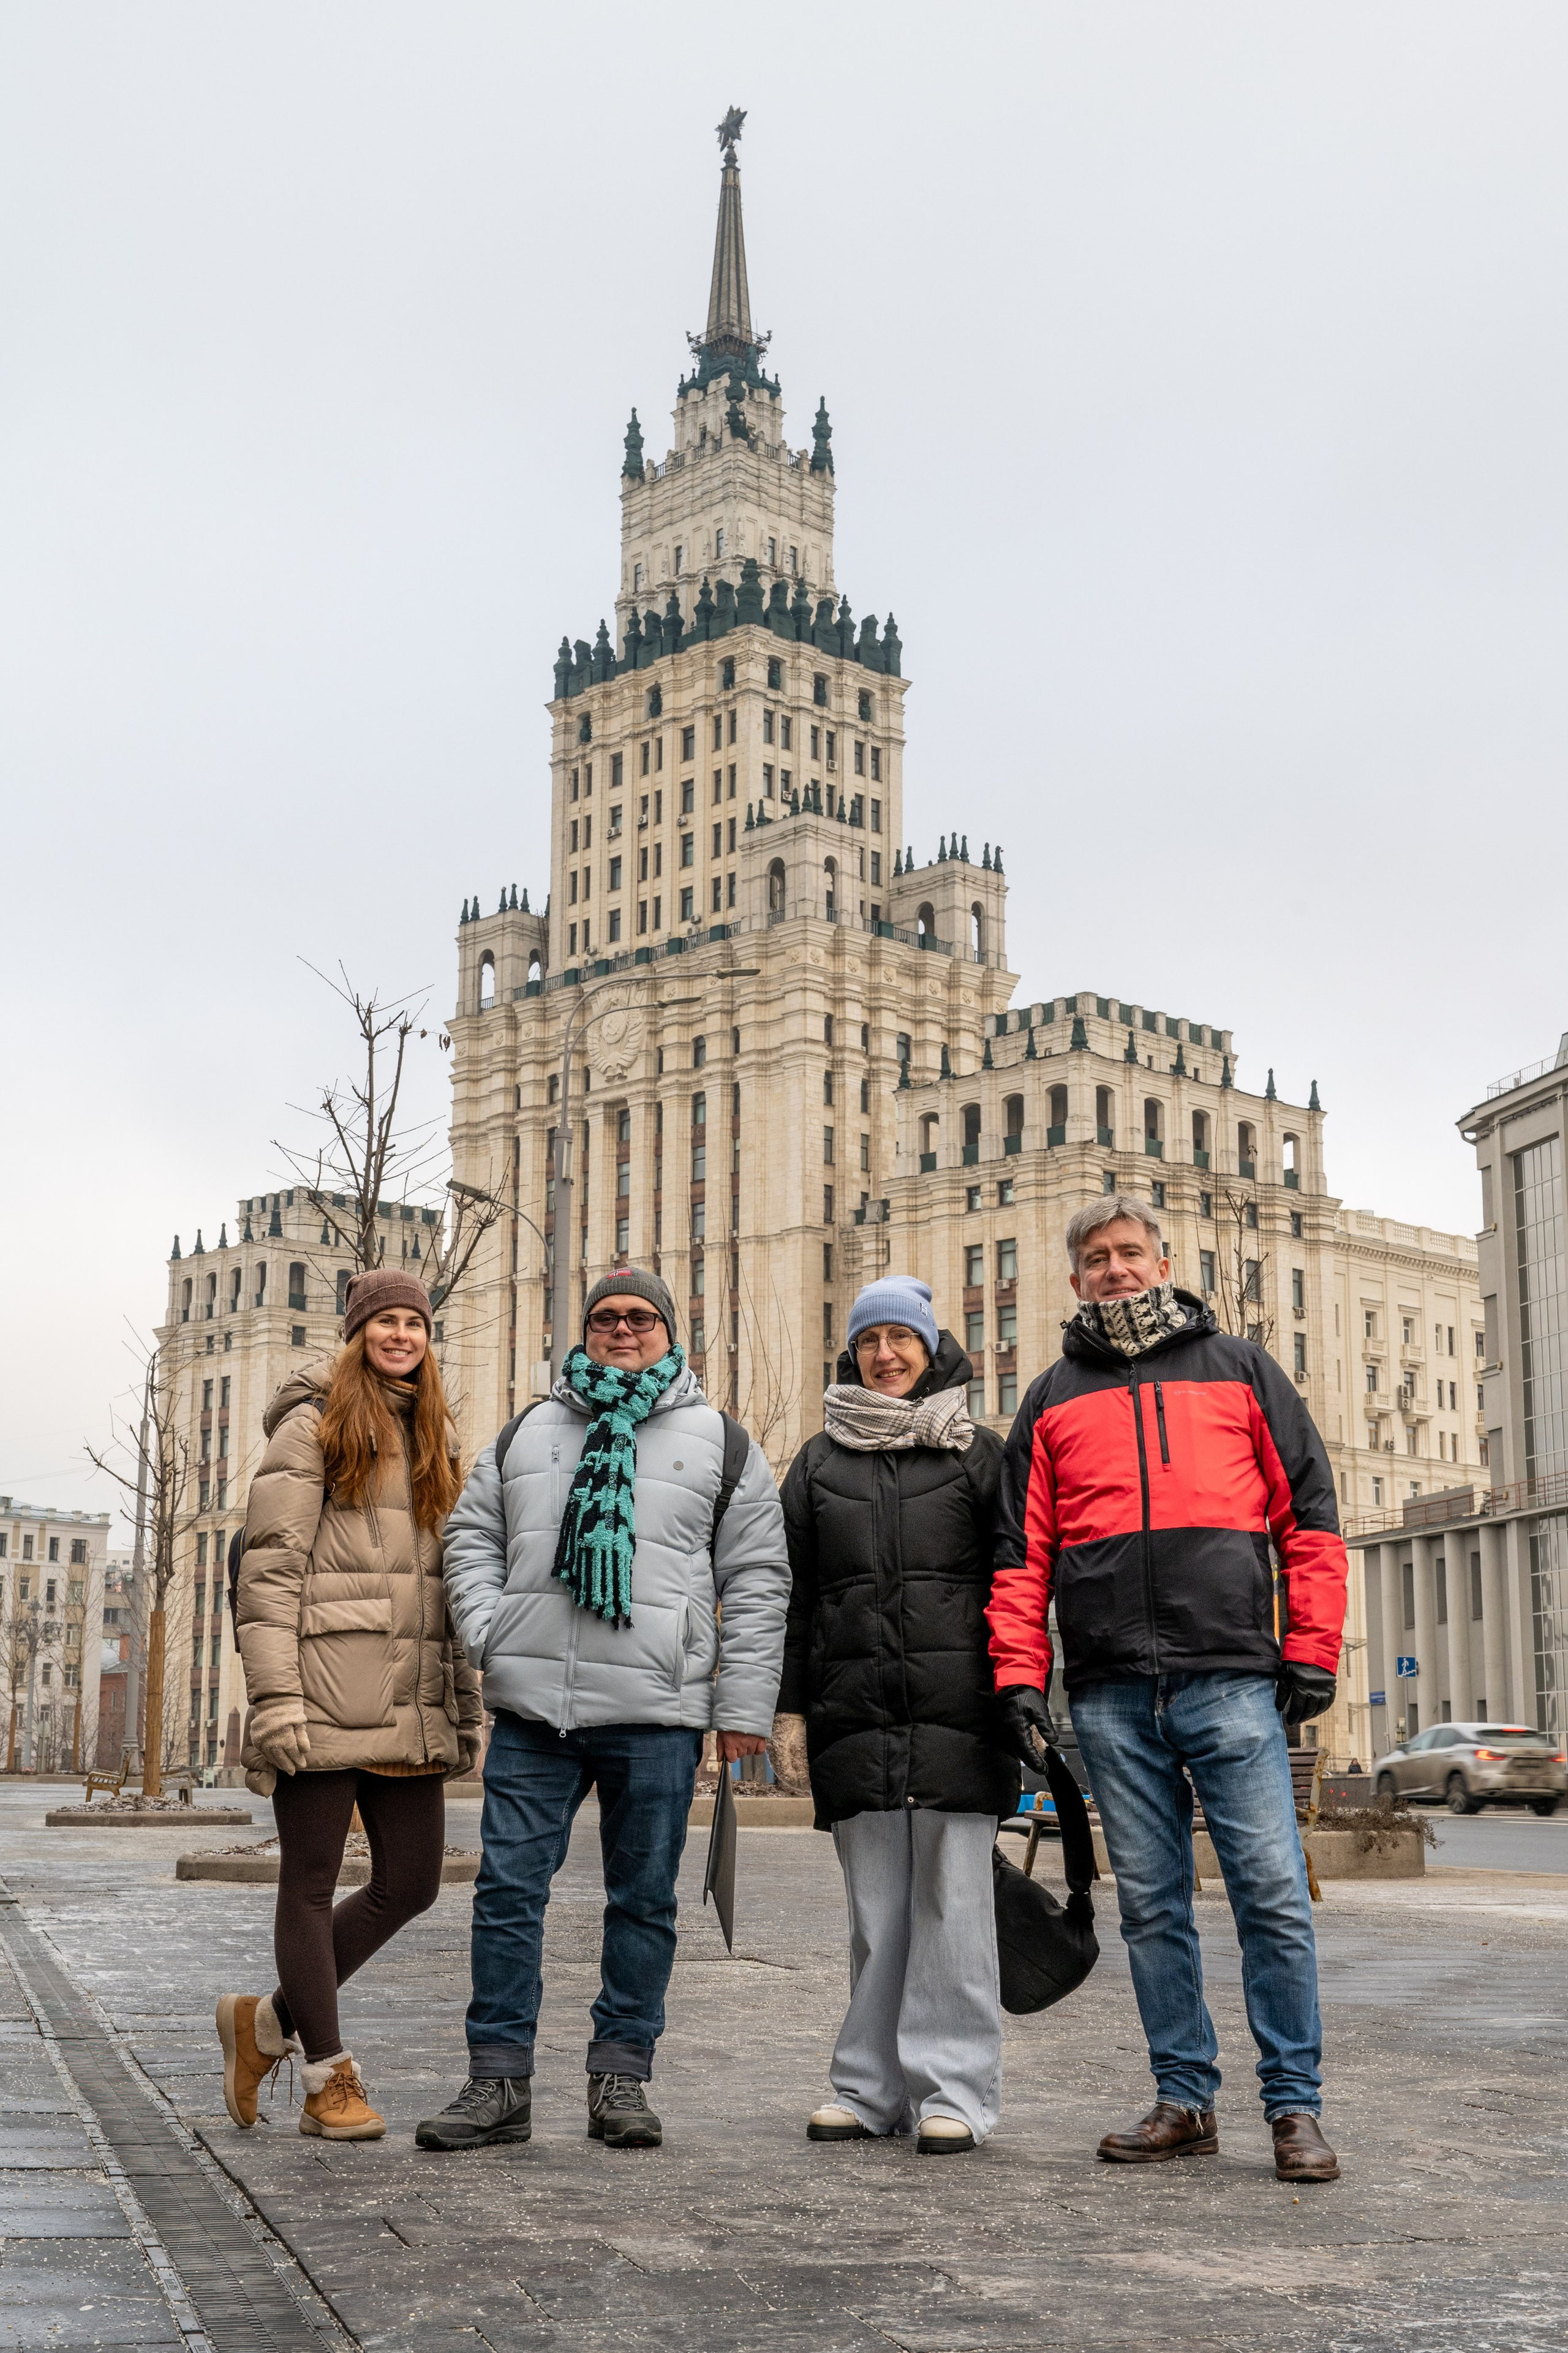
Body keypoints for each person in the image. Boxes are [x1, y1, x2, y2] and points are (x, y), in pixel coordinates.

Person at [988, 1195, 1348, 2184]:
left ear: (1164, 1260)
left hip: (1231, 1676)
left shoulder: (1241, 1369)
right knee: (1151, 1905)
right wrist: (1021, 1675)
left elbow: (1308, 1512)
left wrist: (1312, 1643)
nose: (1115, 1269)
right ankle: (1185, 2097)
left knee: (1271, 1893)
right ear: (1076, 1278)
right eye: (1096, 1258)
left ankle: (1295, 2108)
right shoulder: (1053, 1395)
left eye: (1130, 1253)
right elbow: (1020, 1553)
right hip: (1107, 1693)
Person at [418, 1268, 788, 2153]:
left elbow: (759, 1578)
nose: (622, 1328)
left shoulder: (720, 1442)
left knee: (645, 1901)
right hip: (534, 1708)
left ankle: (621, 2075)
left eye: (641, 1316)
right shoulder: (528, 1430)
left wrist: (743, 1707)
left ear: (671, 1329)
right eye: (605, 1317)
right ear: (583, 1331)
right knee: (507, 1893)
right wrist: (490, 1630)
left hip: (658, 1711)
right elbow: (470, 1535)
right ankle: (496, 2079)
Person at [216, 1271, 481, 2142]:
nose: (401, 1334)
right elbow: (270, 1569)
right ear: (358, 1331)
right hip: (324, 1696)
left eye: (415, 1322)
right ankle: (329, 2077)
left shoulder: (435, 1429)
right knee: (311, 1882)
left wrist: (463, 1703)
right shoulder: (314, 1420)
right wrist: (276, 1698)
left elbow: (447, 1586)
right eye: (386, 1322)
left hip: (408, 1701)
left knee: (409, 1882)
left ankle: (265, 2025)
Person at [774, 1277, 1016, 2156]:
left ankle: (954, 2089)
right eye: (870, 1339)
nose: (885, 1353)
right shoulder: (818, 1460)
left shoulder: (977, 1453)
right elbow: (793, 1595)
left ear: (931, 1347)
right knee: (876, 1912)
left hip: (964, 1710)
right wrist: (789, 1709)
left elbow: (1014, 1581)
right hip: (856, 1711)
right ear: (852, 1351)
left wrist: (1022, 1688)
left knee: (954, 1905)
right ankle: (869, 2086)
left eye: (900, 1338)